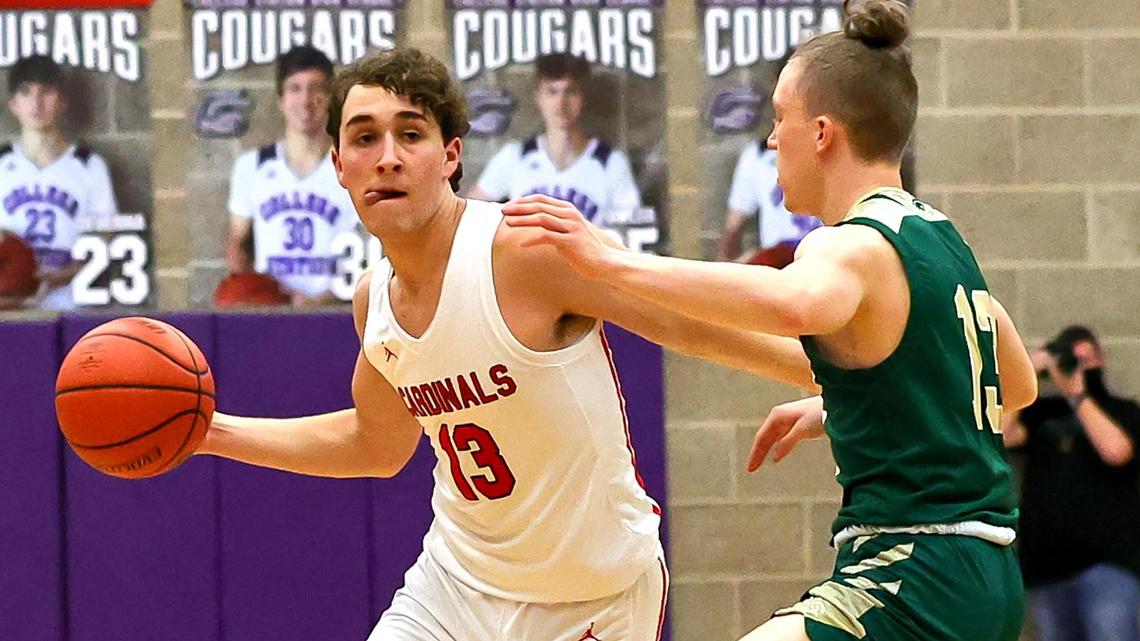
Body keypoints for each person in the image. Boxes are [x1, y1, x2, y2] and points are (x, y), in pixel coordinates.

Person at [196, 47, 819, 641]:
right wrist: (210, 434)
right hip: (455, 588)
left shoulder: (522, 251)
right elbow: (376, 442)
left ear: (450, 156)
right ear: (338, 165)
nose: (387, 157)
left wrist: (845, 384)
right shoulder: (374, 300)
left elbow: (685, 325)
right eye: (364, 137)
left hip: (592, 593)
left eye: (410, 135)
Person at [502, 2, 1040, 640]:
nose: (768, 138)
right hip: (986, 577)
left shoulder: (847, 245)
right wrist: (847, 406)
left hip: (911, 575)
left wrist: (612, 261)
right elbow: (1018, 384)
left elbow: (792, 305)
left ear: (821, 133)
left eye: (779, 117)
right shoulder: (941, 240)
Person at [1004, 326, 1140, 641]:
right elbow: (1002, 435)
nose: (1080, 368)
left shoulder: (1122, 410)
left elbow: (1117, 451)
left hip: (1107, 567)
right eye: (1071, 361)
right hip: (1046, 571)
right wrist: (1026, 373)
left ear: (1101, 360)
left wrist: (1077, 395)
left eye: (1086, 360)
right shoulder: (1044, 414)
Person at [224, 45, 359, 307]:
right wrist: (254, 292)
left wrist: (326, 299)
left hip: (338, 312)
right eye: (295, 89)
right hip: (271, 313)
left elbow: (371, 253)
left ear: (332, 97)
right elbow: (237, 246)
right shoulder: (252, 166)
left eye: (317, 88)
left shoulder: (354, 167)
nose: (306, 101)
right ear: (281, 99)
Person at [466, 53, 651, 238]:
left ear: (582, 97)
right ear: (539, 97)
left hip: (586, 264)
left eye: (570, 91)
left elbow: (629, 237)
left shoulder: (610, 163)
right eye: (552, 92)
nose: (561, 104)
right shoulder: (515, 157)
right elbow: (469, 214)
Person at [0, 55, 119, 310]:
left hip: (72, 302)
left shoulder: (90, 166)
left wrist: (66, 273)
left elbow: (106, 240)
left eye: (46, 91)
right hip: (10, 307)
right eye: (26, 92)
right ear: (13, 104)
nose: (37, 102)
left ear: (62, 102)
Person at [719, 138, 820, 266]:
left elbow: (733, 227)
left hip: (779, 263)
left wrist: (730, 267)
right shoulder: (757, 154)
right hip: (815, 260)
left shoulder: (758, 155)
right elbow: (733, 228)